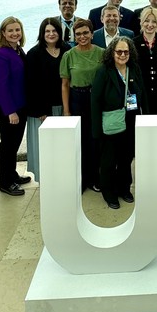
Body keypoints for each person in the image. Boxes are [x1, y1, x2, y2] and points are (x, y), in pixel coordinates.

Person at [91, 36, 150, 209]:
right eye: (119, 51)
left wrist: (146, 117)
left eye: (126, 52)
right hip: (111, 123)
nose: (122, 55)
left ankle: (124, 189)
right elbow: (95, 101)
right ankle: (109, 194)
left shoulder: (134, 68)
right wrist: (96, 130)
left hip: (131, 121)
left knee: (126, 159)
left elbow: (143, 93)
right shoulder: (104, 71)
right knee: (109, 161)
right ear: (112, 52)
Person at [60, 19, 104, 193]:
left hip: (97, 99)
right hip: (77, 99)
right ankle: (82, 179)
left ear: (92, 34)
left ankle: (95, 178)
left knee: (96, 140)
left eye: (85, 33)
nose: (82, 36)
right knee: (80, 140)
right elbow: (65, 84)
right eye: (78, 34)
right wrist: (66, 111)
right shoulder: (68, 55)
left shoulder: (102, 53)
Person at [0, 17, 32, 197]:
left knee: (14, 144)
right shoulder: (0, 55)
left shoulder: (18, 50)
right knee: (8, 146)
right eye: (11, 30)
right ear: (3, 33)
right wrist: (10, 111)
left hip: (20, 105)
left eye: (17, 30)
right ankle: (6, 183)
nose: (15, 33)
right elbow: (1, 86)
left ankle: (12, 175)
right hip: (8, 109)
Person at [24, 18, 67, 182]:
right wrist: (40, 110)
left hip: (62, 106)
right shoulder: (34, 54)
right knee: (44, 146)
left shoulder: (67, 49)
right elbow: (30, 85)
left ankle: (62, 176)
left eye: (54, 30)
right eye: (47, 31)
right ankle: (46, 178)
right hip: (42, 110)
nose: (51, 34)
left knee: (62, 145)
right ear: (42, 33)